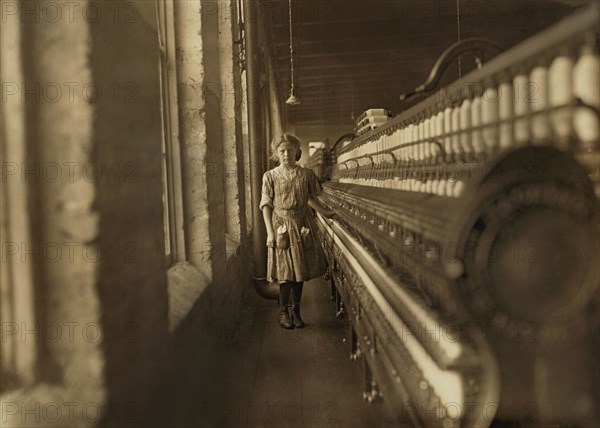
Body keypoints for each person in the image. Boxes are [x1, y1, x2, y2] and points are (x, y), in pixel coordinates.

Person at [259, 133, 328, 329]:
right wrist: (270, 233)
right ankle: (283, 312)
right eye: (282, 151)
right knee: (284, 272)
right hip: (280, 224)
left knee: (299, 270)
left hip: (302, 223)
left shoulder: (306, 174)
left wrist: (326, 212)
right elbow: (266, 204)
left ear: (297, 152)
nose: (286, 154)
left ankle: (296, 312)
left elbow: (310, 198)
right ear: (276, 153)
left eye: (290, 150)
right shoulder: (270, 176)